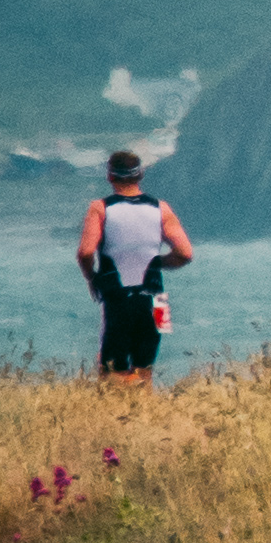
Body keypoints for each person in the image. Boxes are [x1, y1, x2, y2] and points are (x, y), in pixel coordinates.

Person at [79, 145, 191, 383]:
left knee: (113, 371)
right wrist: (156, 263)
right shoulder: (162, 208)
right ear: (141, 175)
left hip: (119, 296)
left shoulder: (100, 208)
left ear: (110, 176)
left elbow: (86, 252)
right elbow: (185, 253)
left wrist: (92, 278)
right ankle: (146, 404)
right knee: (145, 369)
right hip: (158, 300)